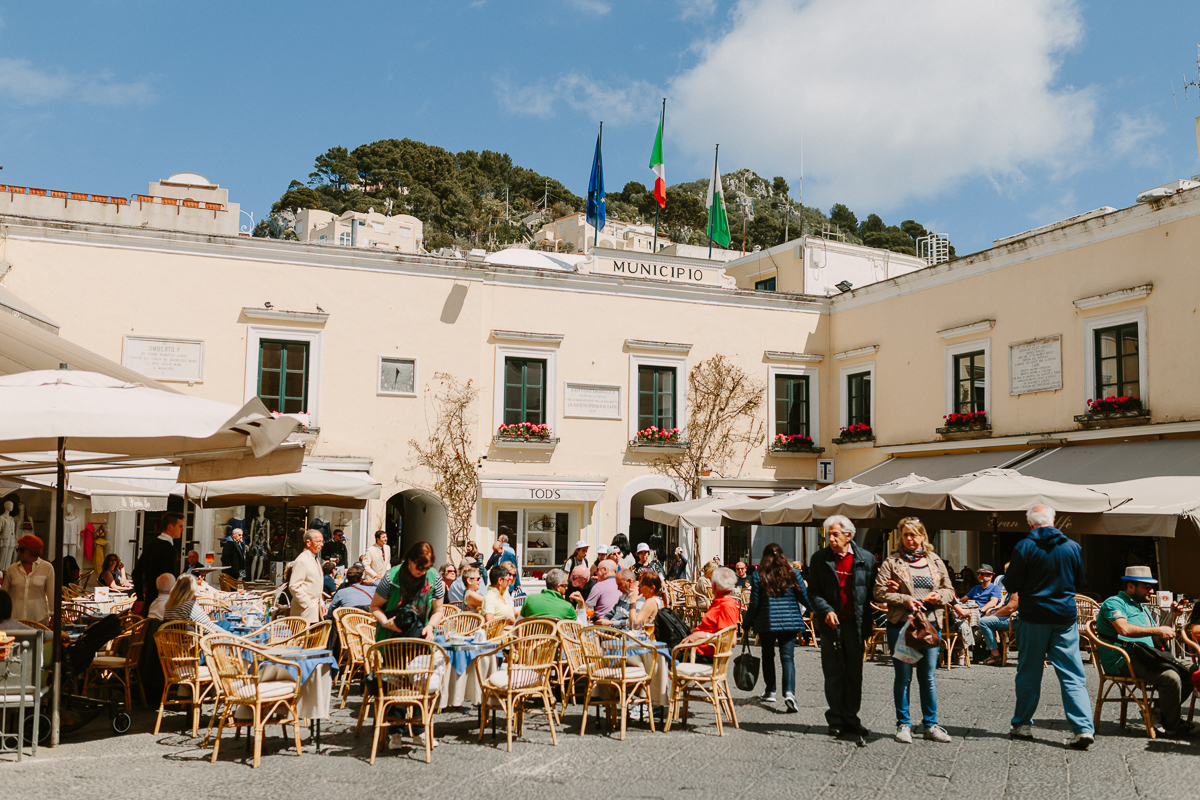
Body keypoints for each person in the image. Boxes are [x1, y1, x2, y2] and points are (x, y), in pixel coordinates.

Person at [998, 504, 1094, 750]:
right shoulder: (1072, 547)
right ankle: (1083, 728)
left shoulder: (1024, 546)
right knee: (1072, 674)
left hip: (1033, 616)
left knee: (1029, 672)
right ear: (1054, 520)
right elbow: (1080, 580)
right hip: (1064, 616)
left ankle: (1022, 724)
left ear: (1030, 524)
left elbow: (1012, 583)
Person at [875, 517, 955, 744]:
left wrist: (940, 596)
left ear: (922, 536)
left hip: (929, 626)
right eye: (906, 535)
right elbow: (879, 592)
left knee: (928, 677)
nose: (910, 539)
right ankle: (904, 725)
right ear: (901, 536)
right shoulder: (893, 561)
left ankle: (931, 725)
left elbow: (950, 590)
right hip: (901, 625)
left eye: (914, 534)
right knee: (903, 677)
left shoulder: (934, 560)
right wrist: (905, 599)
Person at [1096, 566, 1200, 737]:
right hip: (1124, 660)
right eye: (1147, 586)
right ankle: (1172, 724)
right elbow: (1124, 630)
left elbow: (1159, 638)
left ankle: (1160, 711)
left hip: (1149, 656)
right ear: (1131, 586)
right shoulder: (1114, 603)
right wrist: (1157, 630)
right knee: (1170, 677)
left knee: (1193, 670)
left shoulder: (1142, 608)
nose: (1152, 591)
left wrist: (1172, 615)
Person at [808, 515, 877, 745]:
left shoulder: (866, 558)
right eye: (829, 534)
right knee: (833, 673)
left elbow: (873, 592)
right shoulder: (819, 559)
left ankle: (851, 718)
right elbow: (814, 592)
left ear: (849, 535)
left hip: (855, 625)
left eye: (835, 534)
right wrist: (825, 610)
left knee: (854, 674)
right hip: (831, 624)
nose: (831, 538)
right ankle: (835, 720)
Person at [745, 542, 810, 712]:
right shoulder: (793, 572)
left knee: (768, 655)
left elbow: (754, 603)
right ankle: (789, 693)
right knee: (787, 657)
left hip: (767, 622)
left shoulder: (759, 575)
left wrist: (746, 622)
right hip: (790, 621)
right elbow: (803, 595)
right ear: (782, 555)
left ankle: (770, 691)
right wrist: (817, 611)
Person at [679, 566, 741, 659]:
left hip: (701, 654)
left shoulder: (726, 606)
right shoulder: (719, 602)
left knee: (661, 653)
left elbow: (731, 641)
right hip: (696, 649)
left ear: (714, 585)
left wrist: (702, 635)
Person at [132, 512, 183, 610]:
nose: (182, 530)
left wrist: (140, 598)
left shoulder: (150, 545)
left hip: (149, 599)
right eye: (180, 526)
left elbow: (136, 573)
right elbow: (170, 577)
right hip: (165, 602)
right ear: (170, 527)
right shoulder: (169, 549)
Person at [1, 535, 53, 625]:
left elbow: (52, 594)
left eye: (22, 550)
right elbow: (4, 595)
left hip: (38, 619)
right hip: (15, 619)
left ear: (32, 550)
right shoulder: (12, 569)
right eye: (18, 549)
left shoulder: (47, 568)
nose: (18, 552)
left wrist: (53, 615)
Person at [288, 529, 326, 624]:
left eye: (322, 541)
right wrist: (308, 604)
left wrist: (321, 603)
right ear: (308, 542)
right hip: (304, 612)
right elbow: (294, 585)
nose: (321, 544)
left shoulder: (314, 559)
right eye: (318, 541)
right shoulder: (302, 560)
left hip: (315, 612)